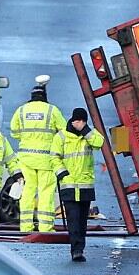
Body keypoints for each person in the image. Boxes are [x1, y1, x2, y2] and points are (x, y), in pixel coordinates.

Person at [10, 82, 66, 232]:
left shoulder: (21, 110)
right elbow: (63, 132)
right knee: (46, 192)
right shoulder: (52, 110)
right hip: (46, 160)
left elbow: (14, 132)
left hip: (26, 158)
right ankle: (45, 226)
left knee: (27, 191)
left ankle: (25, 226)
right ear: (45, 97)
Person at [51, 107, 104, 262]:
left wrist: (86, 130)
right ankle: (76, 250)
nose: (79, 123)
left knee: (82, 221)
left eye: (82, 121)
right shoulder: (61, 136)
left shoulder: (88, 136)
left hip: (85, 185)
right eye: (77, 121)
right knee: (72, 219)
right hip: (68, 185)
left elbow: (99, 142)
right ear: (72, 120)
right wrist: (62, 173)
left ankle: (80, 247)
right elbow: (54, 157)